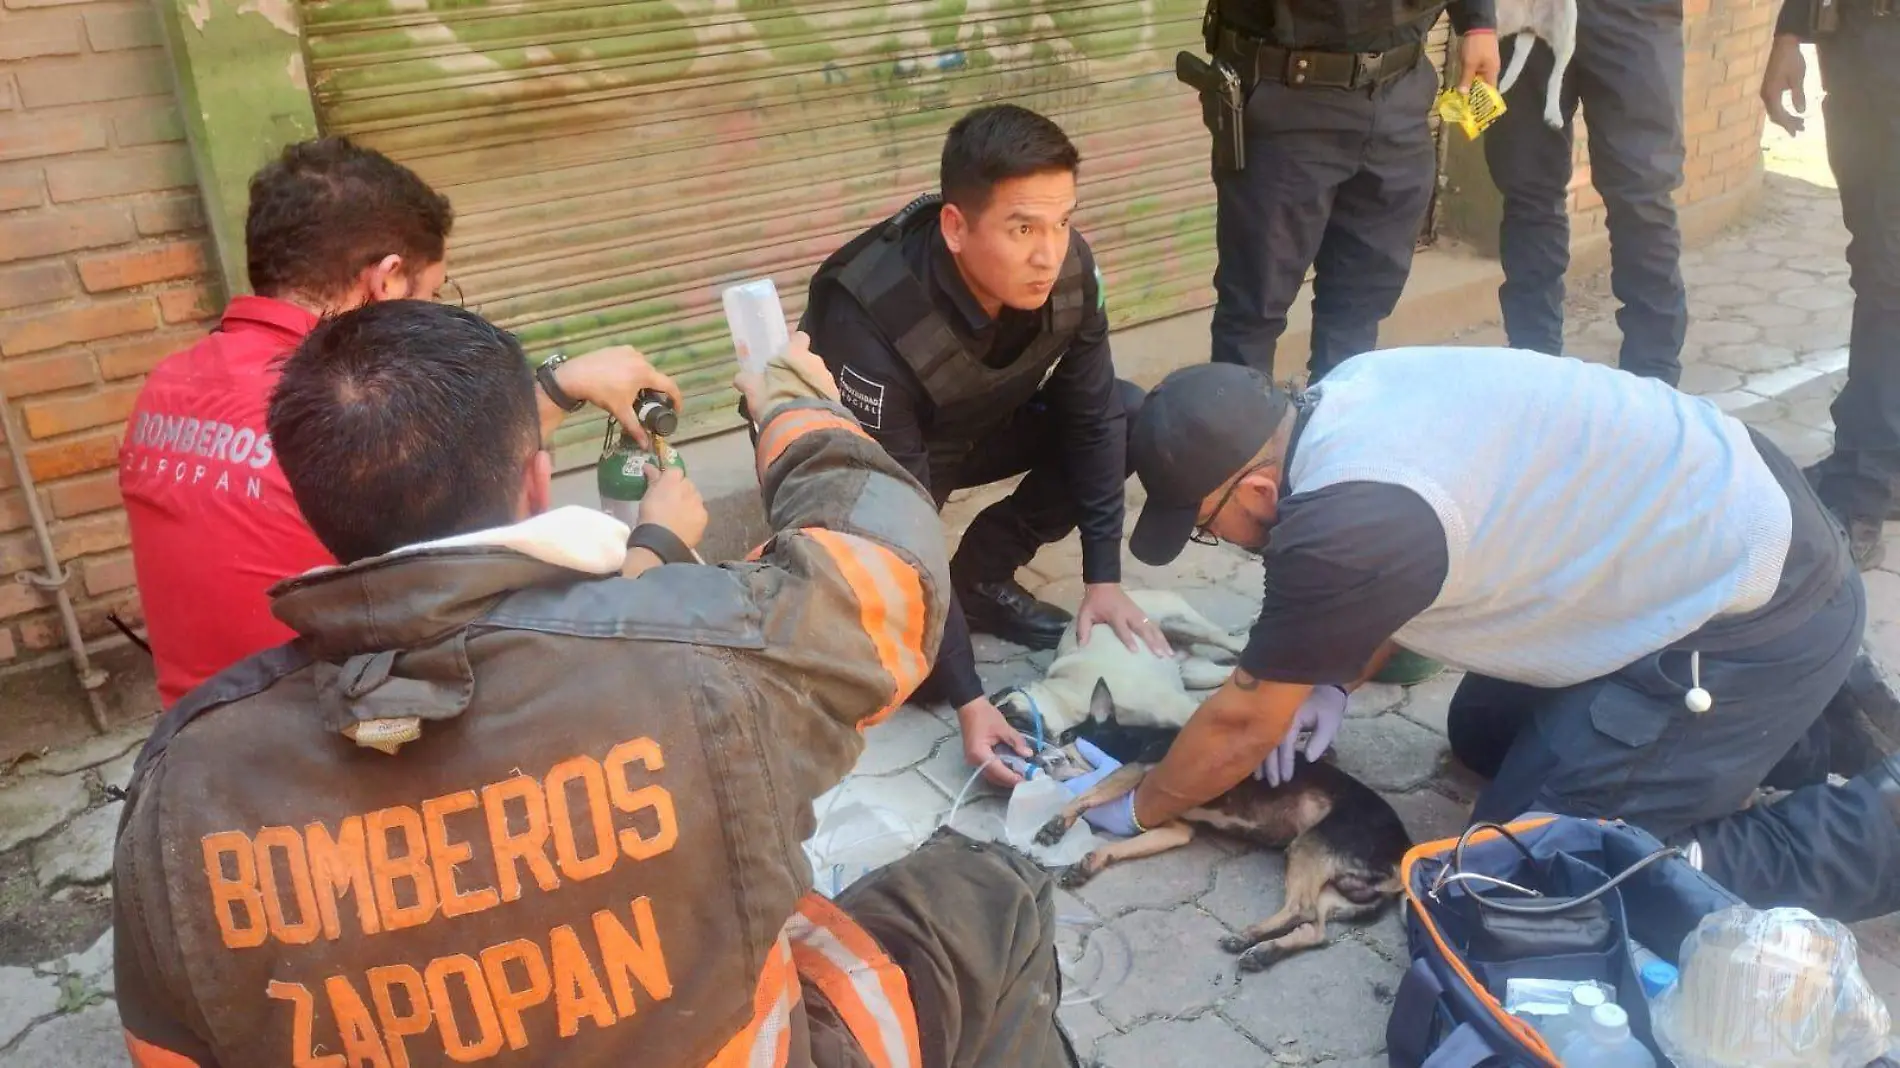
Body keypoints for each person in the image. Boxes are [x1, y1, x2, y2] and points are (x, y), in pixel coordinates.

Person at [111, 300, 1080, 1068]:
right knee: (986, 891)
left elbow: (169, 1045)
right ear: (535, 472)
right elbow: (889, 568)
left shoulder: (186, 777)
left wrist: (653, 549)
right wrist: (792, 399)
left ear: (317, 505)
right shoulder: (706, 666)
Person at [1081, 352, 1900, 922]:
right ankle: (1795, 732)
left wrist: (1148, 805)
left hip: (1753, 610)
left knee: (1525, 875)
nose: (1217, 540)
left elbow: (1239, 722)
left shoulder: (1348, 521)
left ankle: (1875, 827)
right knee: (1480, 735)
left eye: (1208, 526)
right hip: (1709, 540)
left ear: (1257, 487)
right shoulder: (1343, 398)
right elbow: (1370, 597)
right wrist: (1331, 678)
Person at [120, 136, 666, 708]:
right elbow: (487, 618)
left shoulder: (168, 385)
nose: (432, 311)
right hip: (332, 745)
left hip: (198, 737)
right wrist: (655, 554)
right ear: (386, 280)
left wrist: (555, 388)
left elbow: (432, 452)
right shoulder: (323, 411)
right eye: (433, 293)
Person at [802, 104, 1165, 787]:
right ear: (956, 228)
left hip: (973, 423)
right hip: (865, 476)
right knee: (926, 683)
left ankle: (982, 578)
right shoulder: (873, 316)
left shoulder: (1069, 269)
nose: (1048, 252)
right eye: (1022, 227)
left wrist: (1103, 579)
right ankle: (924, 623)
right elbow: (898, 523)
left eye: (1062, 221)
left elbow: (1091, 418)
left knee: (1129, 414)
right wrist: (971, 697)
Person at [1194, 0, 1500, 379]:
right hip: (1287, 92)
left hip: (1399, 92)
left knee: (1359, 306)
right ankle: (1242, 434)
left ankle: (1332, 430)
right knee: (1253, 308)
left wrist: (1477, 24)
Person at [1482, 0, 1688, 385]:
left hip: (1634, 16)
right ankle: (1534, 371)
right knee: (1528, 191)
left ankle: (1653, 382)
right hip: (1524, 13)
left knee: (1642, 197)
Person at [1760, 0, 1899, 570]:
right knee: (1875, 260)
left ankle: (1864, 486)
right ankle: (1873, 461)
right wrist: (1791, 31)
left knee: (1889, 272)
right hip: (1858, 43)